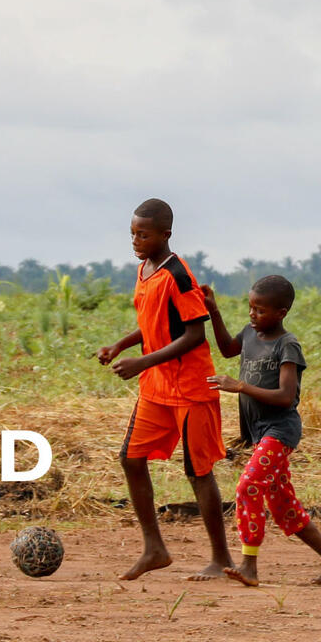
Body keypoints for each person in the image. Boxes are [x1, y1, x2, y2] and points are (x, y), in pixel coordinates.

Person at [97, 199, 233, 581]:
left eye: (144, 234)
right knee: (131, 458)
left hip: (190, 386)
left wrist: (142, 361)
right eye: (133, 234)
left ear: (165, 235)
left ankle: (221, 560)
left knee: (198, 471)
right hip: (157, 387)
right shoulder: (145, 270)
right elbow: (155, 321)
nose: (136, 241)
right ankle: (154, 548)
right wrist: (121, 346)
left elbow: (193, 334)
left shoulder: (178, 275)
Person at [202, 275, 321, 586]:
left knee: (248, 486)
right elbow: (228, 349)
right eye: (251, 308)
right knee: (282, 504)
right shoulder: (249, 334)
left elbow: (285, 397)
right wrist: (213, 311)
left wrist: (240, 386)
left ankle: (249, 566)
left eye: (260, 310)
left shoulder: (287, 345)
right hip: (258, 432)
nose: (253, 316)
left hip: (280, 430)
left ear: (281, 313)